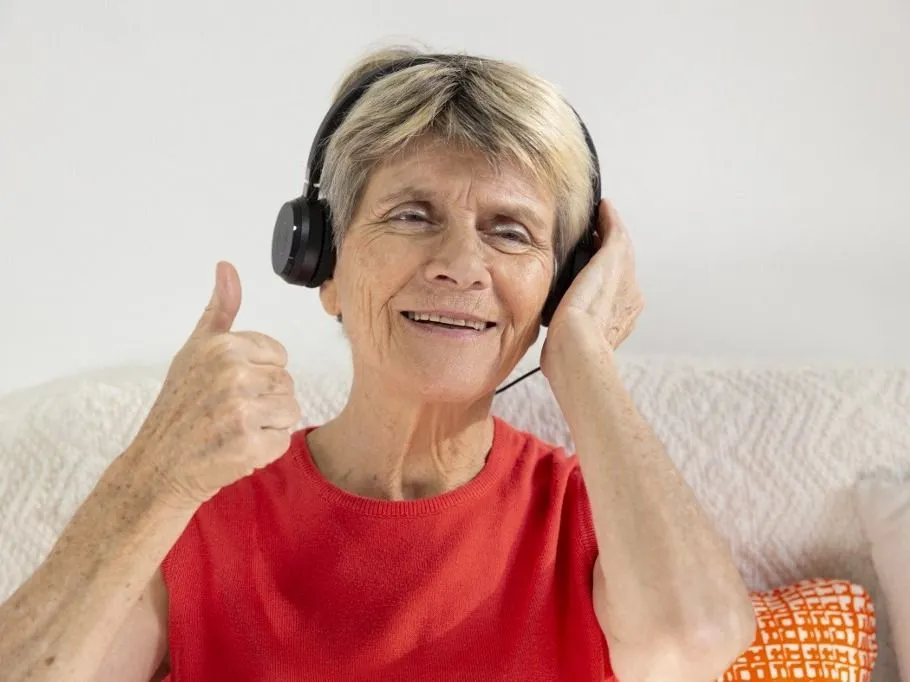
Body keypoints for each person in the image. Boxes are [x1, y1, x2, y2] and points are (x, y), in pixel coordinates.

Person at [0, 47, 756, 682]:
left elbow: (694, 642)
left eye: (511, 233)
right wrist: (158, 471)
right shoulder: (204, 513)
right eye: (412, 215)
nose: (461, 265)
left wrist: (584, 352)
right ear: (322, 264)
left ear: (559, 288)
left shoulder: (592, 518)